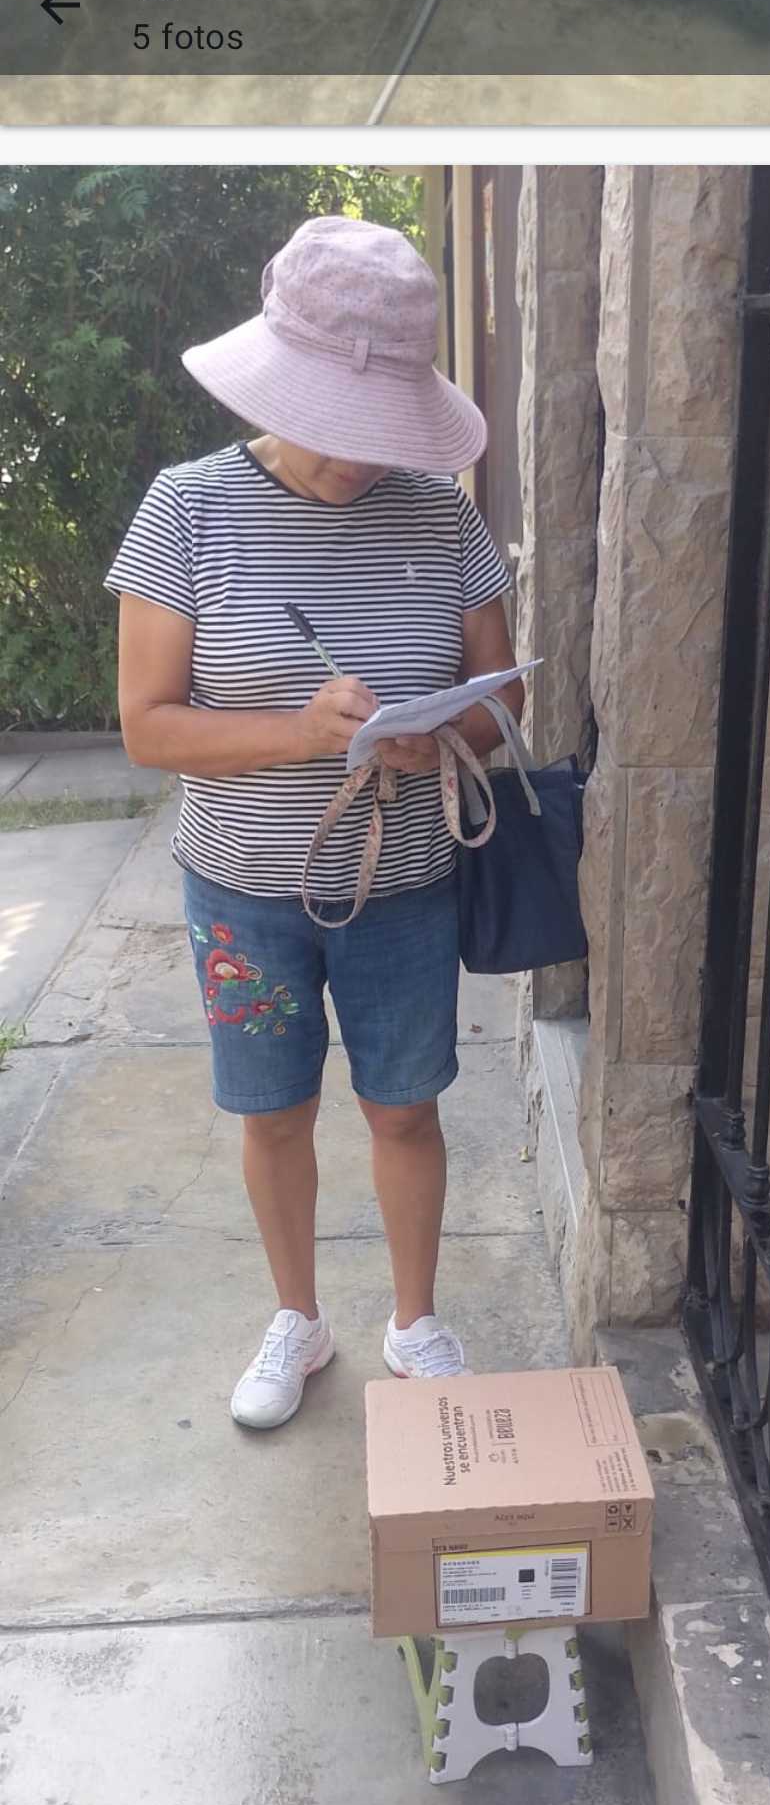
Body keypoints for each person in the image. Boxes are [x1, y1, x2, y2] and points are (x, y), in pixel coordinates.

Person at [110, 214, 521, 1426]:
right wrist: (303, 733)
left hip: (405, 884)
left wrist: (439, 732)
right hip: (243, 889)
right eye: (333, 422)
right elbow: (148, 727)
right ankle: (298, 1317)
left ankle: (415, 1319)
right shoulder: (187, 510)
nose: (355, 455)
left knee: (405, 1105)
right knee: (274, 1109)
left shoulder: (441, 516)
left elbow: (502, 698)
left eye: (378, 427)